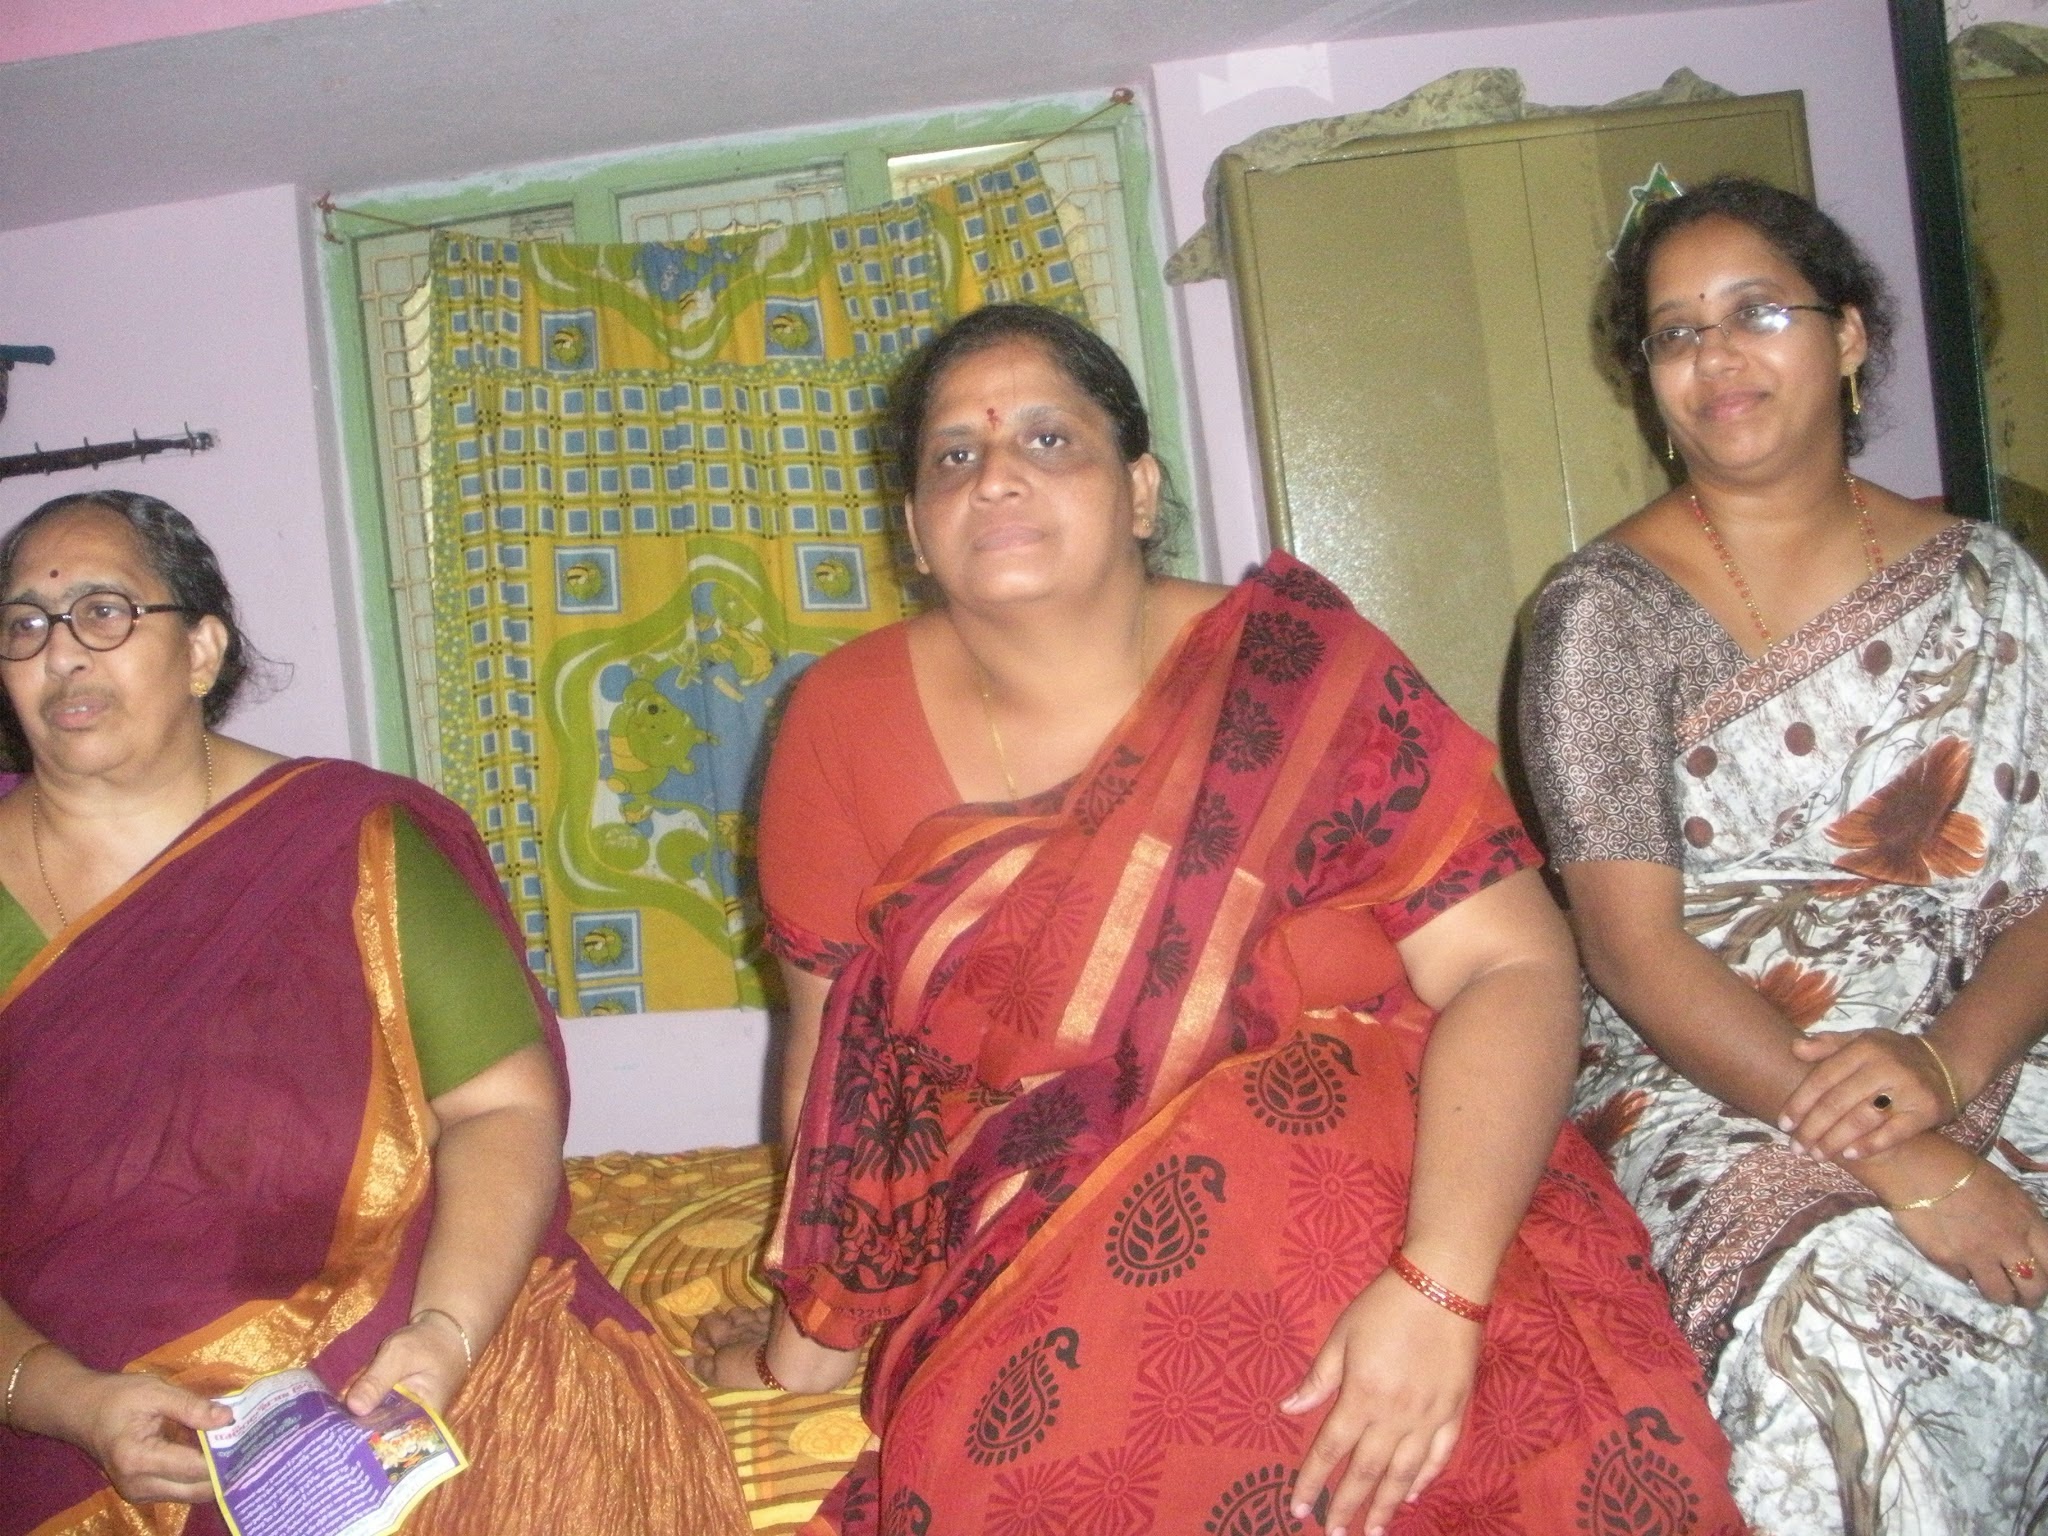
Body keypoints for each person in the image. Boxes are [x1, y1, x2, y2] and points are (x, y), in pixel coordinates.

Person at [691, 303, 1742, 1536]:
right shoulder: (841, 718)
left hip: (1404, 1193)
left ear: (1139, 492)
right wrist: (813, 1339)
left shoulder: (1300, 672)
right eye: (953, 456)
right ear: (916, 529)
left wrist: (1439, 1290)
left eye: (1047, 439)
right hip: (1048, 1238)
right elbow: (842, 1065)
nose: (996, 477)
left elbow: (1510, 965)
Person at [0, 491, 747, 1535]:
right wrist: (66, 1402)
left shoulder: (347, 839)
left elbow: (500, 1107)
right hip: (76, 1418)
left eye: (104, 611)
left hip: (400, 1335)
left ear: (202, 649)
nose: (62, 653)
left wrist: (444, 1332)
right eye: (25, 624)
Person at [1519, 176, 2048, 1533]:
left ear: (1849, 336)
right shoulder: (1601, 615)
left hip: (1978, 1032)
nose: (1715, 357)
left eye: (1756, 312)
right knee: (1845, 1314)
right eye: (1675, 332)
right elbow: (1631, 951)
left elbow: (2042, 893)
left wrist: (1944, 1069)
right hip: (1716, 1068)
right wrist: (1906, 1160)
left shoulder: (1990, 584)